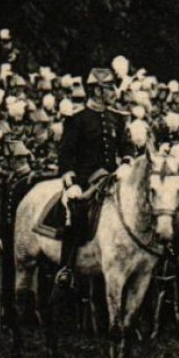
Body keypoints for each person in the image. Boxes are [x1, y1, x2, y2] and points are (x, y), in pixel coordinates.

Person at [55, 70, 123, 286]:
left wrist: (128, 161)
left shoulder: (117, 118)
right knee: (76, 211)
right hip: (86, 181)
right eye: (109, 88)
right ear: (96, 90)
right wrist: (71, 183)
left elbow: (126, 145)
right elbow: (65, 154)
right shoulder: (78, 119)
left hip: (113, 178)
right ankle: (66, 266)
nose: (114, 92)